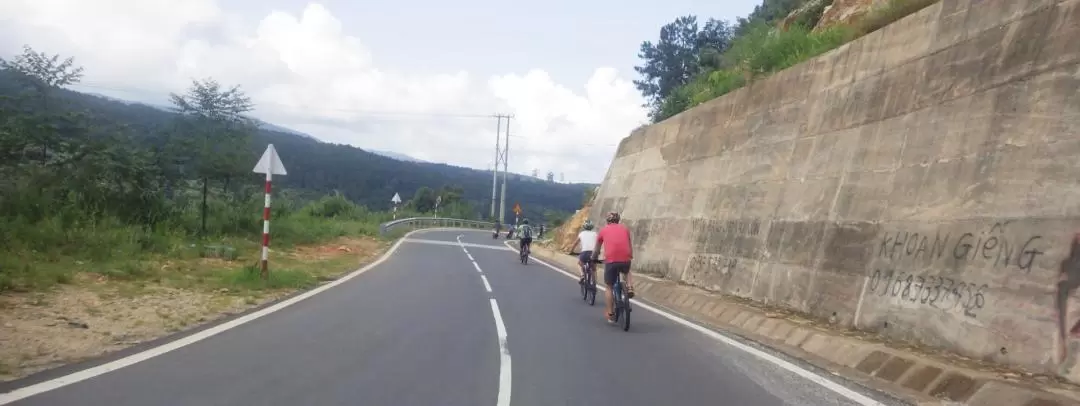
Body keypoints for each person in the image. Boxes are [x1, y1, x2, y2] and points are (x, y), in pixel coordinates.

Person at [592, 211, 634, 323]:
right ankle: (630, 287)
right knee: (627, 269)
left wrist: (593, 258)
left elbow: (597, 249)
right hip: (625, 259)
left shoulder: (603, 230)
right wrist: (630, 256)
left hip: (611, 261)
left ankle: (610, 313)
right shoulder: (625, 229)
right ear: (618, 220)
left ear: (608, 220)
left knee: (609, 286)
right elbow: (629, 246)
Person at [569, 220, 598, 285]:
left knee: (579, 263)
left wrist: (571, 251)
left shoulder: (581, 234)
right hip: (594, 253)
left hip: (584, 253)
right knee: (594, 268)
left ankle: (582, 275)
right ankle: (594, 283)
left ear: (584, 227)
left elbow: (575, 243)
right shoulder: (595, 234)